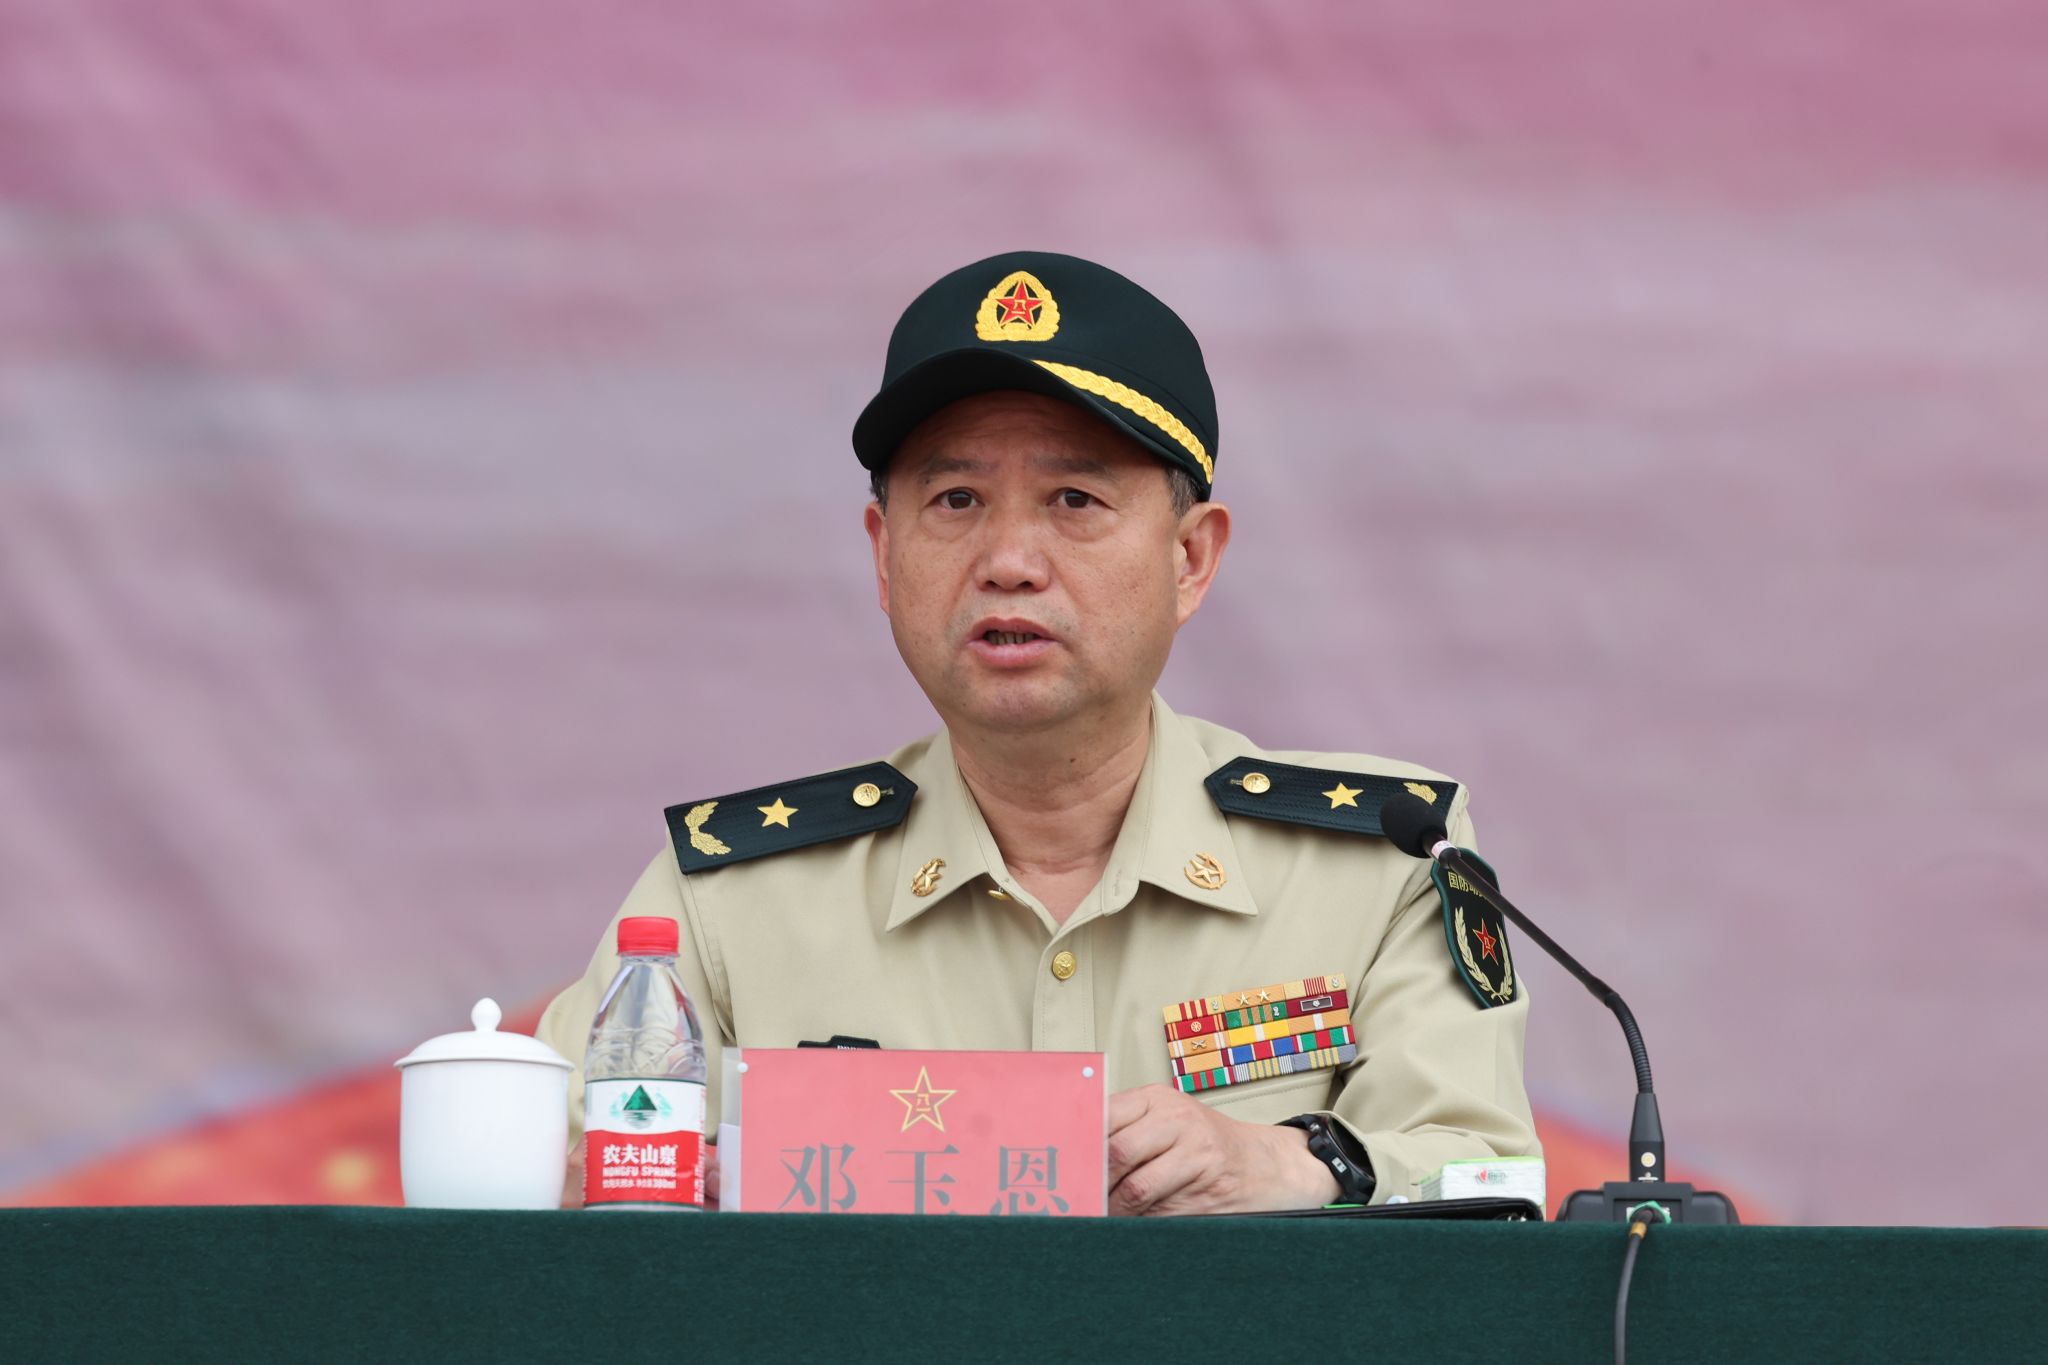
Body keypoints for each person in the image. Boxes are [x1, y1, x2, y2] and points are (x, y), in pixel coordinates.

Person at [537, 250, 1538, 1214]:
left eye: (1074, 500)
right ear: (884, 558)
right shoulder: (730, 901)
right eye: (956, 499)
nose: (1009, 559)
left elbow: (1487, 1181)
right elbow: (539, 1192)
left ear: (1190, 558)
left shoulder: (1380, 864)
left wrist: (1299, 1162)